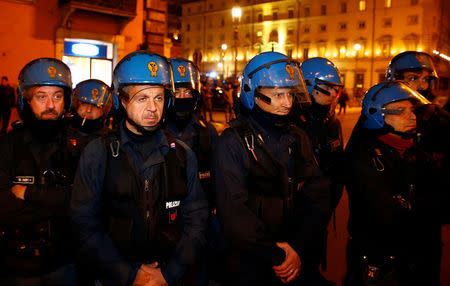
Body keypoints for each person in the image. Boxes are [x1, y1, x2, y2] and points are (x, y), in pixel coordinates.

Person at [70, 50, 208, 286]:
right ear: (121, 100)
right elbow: (84, 222)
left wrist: (169, 274)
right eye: (142, 98)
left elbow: (197, 219)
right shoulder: (97, 153)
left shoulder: (182, 154)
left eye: (159, 98)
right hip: (112, 278)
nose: (153, 108)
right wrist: (129, 274)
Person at [213, 51, 330, 285]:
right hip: (249, 264)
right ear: (252, 95)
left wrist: (298, 246)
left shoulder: (298, 137)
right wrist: (278, 255)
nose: (287, 103)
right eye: (277, 95)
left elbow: (317, 196)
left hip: (295, 256)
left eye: (289, 93)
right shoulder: (232, 141)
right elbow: (234, 214)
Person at [344, 81, 448, 286]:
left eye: (412, 110)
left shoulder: (415, 152)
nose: (412, 116)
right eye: (401, 111)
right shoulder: (365, 156)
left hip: (414, 260)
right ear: (378, 115)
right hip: (378, 262)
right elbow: (387, 213)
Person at [0, 58, 79, 285]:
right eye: (41, 96)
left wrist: (29, 193)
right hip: (16, 267)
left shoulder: (79, 147)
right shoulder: (7, 146)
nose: (51, 105)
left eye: (57, 96)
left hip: (66, 264)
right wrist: (58, 203)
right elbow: (3, 208)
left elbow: (83, 203)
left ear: (66, 101)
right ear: (26, 101)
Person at [167, 57, 222, 284]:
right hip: (162, 232)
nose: (182, 98)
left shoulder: (207, 133)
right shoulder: (150, 132)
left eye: (187, 92)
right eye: (176, 92)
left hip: (201, 228)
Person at [299, 57, 346, 286]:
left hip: (322, 212)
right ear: (307, 86)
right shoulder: (294, 125)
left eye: (336, 89)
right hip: (298, 218)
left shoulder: (332, 122)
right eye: (327, 89)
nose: (334, 95)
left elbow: (337, 167)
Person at [67, 79, 113, 155]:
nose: (88, 110)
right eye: (84, 103)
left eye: (95, 106)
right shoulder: (62, 133)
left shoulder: (110, 140)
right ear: (76, 104)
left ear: (104, 110)